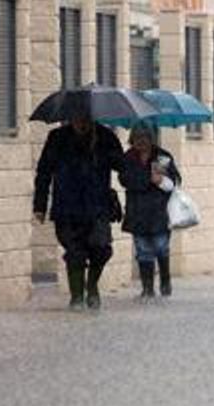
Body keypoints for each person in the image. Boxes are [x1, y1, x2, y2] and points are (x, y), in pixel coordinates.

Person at [33, 110, 125, 311]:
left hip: (98, 206)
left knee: (102, 249)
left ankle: (92, 286)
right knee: (75, 252)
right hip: (67, 206)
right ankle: (77, 297)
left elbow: (122, 166)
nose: (82, 122)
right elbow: (44, 171)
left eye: (86, 118)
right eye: (78, 118)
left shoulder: (105, 136)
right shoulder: (57, 138)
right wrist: (39, 205)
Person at [119, 122, 181, 300]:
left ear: (151, 139)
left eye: (145, 138)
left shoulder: (161, 157)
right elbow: (125, 179)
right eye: (138, 138)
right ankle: (147, 288)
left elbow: (173, 184)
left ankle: (165, 280)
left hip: (159, 212)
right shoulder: (128, 157)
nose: (141, 142)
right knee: (142, 249)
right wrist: (147, 179)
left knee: (161, 247)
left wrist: (160, 181)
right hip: (137, 211)